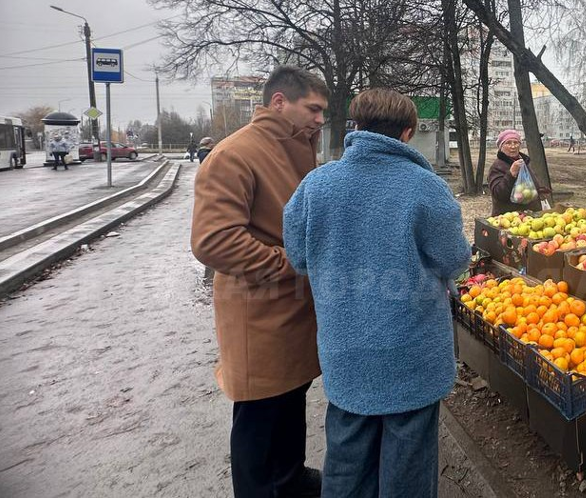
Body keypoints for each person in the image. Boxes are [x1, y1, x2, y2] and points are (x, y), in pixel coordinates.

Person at [283, 88, 471, 497]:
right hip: (412, 356)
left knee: (347, 464)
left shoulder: (316, 186)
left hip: (345, 351)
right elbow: (455, 259)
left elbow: (297, 256)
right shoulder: (425, 187)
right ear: (406, 133)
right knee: (408, 469)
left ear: (357, 126)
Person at [190, 65, 327, 498]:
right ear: (279, 102)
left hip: (289, 312)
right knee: (259, 420)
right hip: (260, 316)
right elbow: (214, 240)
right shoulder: (235, 154)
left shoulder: (294, 146)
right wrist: (292, 264)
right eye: (314, 109)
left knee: (288, 406)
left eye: (324, 112)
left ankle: (289, 479)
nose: (320, 119)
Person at [486, 129, 551, 216]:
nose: (513, 146)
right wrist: (511, 174)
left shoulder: (523, 162)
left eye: (516, 143)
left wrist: (539, 190)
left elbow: (528, 186)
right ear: (501, 147)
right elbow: (499, 194)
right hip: (510, 218)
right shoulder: (497, 166)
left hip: (530, 216)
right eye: (508, 143)